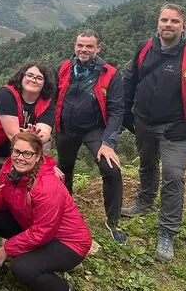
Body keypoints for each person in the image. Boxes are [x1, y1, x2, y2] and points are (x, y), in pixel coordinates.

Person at [121, 3, 186, 260]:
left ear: (184, 25)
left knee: (173, 175)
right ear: (158, 23)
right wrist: (126, 111)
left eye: (174, 21)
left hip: (177, 127)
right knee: (147, 163)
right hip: (144, 121)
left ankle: (167, 232)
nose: (168, 25)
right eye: (164, 20)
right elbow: (130, 79)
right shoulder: (145, 48)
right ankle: (145, 202)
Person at [0, 132, 92, 291]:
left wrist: (7, 248)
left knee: (22, 268)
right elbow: (1, 205)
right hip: (34, 226)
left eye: (27, 153)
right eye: (16, 151)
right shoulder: (9, 170)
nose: (20, 158)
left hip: (68, 242)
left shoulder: (46, 186)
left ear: (38, 156)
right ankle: (33, 254)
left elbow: (43, 231)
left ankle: (64, 288)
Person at [0, 62, 56, 241]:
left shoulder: (47, 103)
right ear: (21, 76)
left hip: (16, 152)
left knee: (11, 187)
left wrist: (38, 136)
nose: (33, 80)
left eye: (39, 78)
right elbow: (12, 133)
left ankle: (7, 225)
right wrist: (32, 137)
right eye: (30, 75)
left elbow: (45, 132)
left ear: (45, 83)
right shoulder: (6, 94)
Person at [55, 29, 126, 243]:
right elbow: (54, 97)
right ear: (75, 46)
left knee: (111, 169)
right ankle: (64, 212)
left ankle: (113, 221)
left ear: (98, 48)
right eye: (80, 45)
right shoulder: (65, 67)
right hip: (66, 127)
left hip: (94, 129)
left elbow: (117, 111)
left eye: (89, 46)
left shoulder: (109, 73)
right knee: (64, 169)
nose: (83, 50)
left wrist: (108, 142)